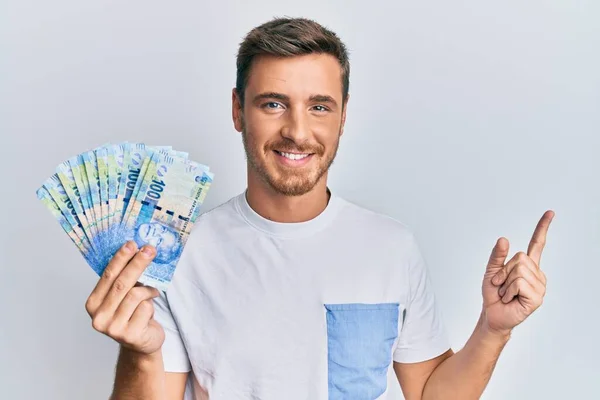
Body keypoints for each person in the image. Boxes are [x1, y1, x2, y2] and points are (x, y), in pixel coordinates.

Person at [84, 17, 554, 400]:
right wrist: (141, 355)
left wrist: (493, 329)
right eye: (273, 103)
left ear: (344, 116)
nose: (298, 131)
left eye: (320, 107)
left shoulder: (392, 247)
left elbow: (430, 395)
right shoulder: (176, 255)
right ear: (236, 110)